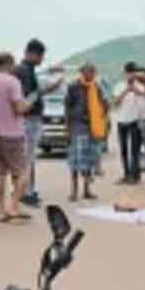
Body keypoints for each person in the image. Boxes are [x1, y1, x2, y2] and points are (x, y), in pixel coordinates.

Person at [0, 52, 33, 223]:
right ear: (9, 64)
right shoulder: (12, 82)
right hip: (12, 133)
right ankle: (13, 206)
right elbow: (19, 108)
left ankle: (0, 211)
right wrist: (29, 103)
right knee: (22, 172)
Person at [14, 39, 63, 208]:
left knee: (29, 158)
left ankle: (28, 190)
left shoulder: (27, 70)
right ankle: (25, 193)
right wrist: (47, 89)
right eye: (40, 56)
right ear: (32, 54)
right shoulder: (24, 71)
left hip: (30, 118)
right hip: (28, 118)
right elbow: (30, 96)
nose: (42, 59)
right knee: (27, 158)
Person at [65, 63, 108, 202]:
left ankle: (86, 190)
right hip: (77, 126)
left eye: (93, 72)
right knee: (75, 160)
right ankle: (74, 191)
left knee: (89, 159)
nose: (91, 74)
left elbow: (104, 106)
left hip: (92, 127)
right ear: (82, 72)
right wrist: (67, 129)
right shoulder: (73, 87)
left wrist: (104, 108)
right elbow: (67, 108)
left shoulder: (97, 87)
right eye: (88, 72)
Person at [113, 62, 143, 184]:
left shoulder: (140, 86)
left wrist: (134, 89)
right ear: (125, 73)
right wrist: (126, 90)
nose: (131, 75)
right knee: (124, 150)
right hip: (122, 121)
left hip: (135, 121)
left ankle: (134, 175)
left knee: (135, 150)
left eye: (133, 72)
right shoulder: (119, 86)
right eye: (129, 72)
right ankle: (126, 174)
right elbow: (115, 102)